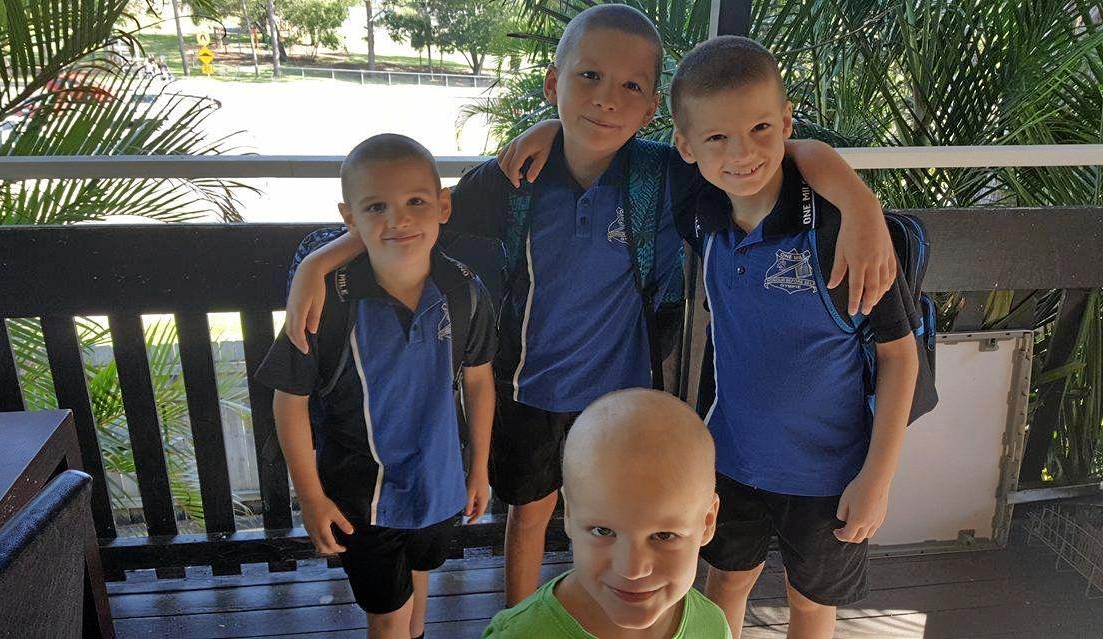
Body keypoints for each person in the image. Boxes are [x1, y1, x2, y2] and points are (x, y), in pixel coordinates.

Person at [282, 4, 896, 607]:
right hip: (526, 390)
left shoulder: (663, 176)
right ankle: (521, 622)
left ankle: (602, 618)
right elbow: (410, 214)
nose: (606, 99)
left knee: (618, 522)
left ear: (653, 108)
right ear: (554, 83)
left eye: (630, 85)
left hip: (623, 397)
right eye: (589, 77)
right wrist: (320, 261)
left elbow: (777, 148)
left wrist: (863, 208)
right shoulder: (511, 181)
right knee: (529, 517)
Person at [665, 36, 920, 639]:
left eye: (760, 129)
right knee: (724, 583)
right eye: (718, 139)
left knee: (810, 603)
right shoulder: (701, 209)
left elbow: (899, 358)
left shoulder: (840, 232)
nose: (742, 153)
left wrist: (875, 482)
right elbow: (605, 144)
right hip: (731, 458)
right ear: (687, 146)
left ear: (785, 121)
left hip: (831, 474)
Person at [254, 133, 497, 639]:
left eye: (415, 202)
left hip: (440, 484)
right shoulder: (329, 301)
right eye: (376, 207)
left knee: (418, 579)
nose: (398, 220)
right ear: (350, 218)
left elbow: (478, 381)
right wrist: (312, 497)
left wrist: (477, 467)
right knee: (387, 618)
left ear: (442, 206)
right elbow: (289, 401)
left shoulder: (464, 290)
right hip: (361, 497)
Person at [484, 388, 729, 638]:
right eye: (603, 531)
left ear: (707, 522)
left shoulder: (713, 627)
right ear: (569, 514)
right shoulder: (518, 635)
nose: (631, 569)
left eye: (664, 535)